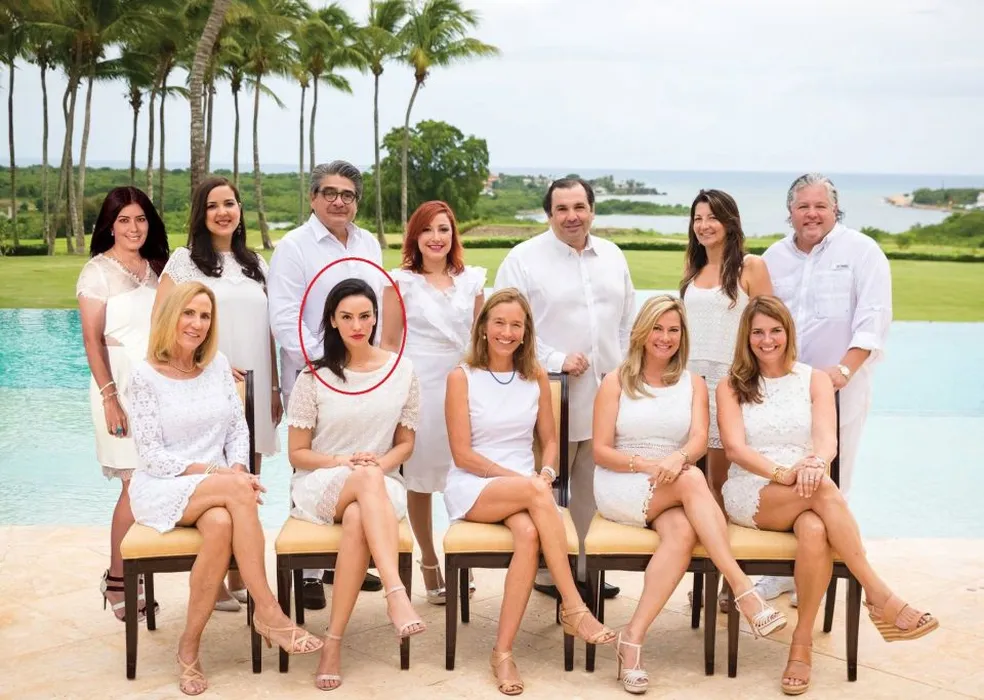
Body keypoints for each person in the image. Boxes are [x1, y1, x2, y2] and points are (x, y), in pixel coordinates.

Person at [717, 295, 936, 696]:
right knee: (822, 490)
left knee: (816, 530)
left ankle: (801, 645)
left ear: (789, 333)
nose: (767, 340)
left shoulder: (814, 378)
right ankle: (878, 594)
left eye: (776, 331)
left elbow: (826, 440)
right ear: (746, 338)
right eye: (758, 333)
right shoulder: (731, 385)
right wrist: (786, 472)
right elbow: (735, 450)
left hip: (807, 486)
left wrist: (815, 463)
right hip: (755, 489)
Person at [126, 281, 322, 696]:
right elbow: (152, 456)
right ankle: (269, 611)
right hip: (164, 486)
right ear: (170, 316)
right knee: (239, 493)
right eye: (189, 313)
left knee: (220, 525)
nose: (197, 324)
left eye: (205, 315)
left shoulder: (217, 366)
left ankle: (188, 649)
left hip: (218, 487)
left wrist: (236, 467)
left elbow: (237, 428)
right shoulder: (144, 375)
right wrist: (223, 474)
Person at [593, 295, 786, 694]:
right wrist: (650, 465)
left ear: (683, 336)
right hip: (623, 478)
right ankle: (743, 589)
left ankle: (632, 638)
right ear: (642, 332)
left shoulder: (694, 383)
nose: (665, 337)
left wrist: (676, 459)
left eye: (674, 330)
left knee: (682, 531)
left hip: (672, 479)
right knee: (693, 479)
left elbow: (698, 439)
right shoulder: (615, 381)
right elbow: (600, 451)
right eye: (658, 328)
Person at [444, 288, 617, 696]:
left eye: (516, 325)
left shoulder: (535, 375)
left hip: (524, 488)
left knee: (527, 534)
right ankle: (574, 606)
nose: (507, 332)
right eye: (499, 323)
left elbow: (550, 440)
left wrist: (546, 472)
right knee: (538, 496)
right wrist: (525, 482)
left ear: (526, 332)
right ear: (483, 328)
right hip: (474, 484)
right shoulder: (461, 377)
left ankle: (502, 653)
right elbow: (462, 454)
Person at [494, 177, 635, 601]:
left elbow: (627, 320)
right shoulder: (523, 259)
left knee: (592, 486)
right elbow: (504, 324)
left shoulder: (612, 255)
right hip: (550, 393)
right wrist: (555, 359)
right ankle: (549, 570)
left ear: (592, 210)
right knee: (550, 484)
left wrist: (624, 367)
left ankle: (586, 566)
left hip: (607, 394)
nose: (572, 216)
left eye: (579, 207)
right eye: (562, 209)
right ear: (549, 214)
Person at [755, 173, 892, 605]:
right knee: (785, 479)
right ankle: (781, 573)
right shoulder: (774, 257)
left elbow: (873, 320)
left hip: (840, 387)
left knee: (833, 479)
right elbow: (761, 319)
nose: (811, 214)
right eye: (803, 206)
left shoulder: (862, 251)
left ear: (835, 209)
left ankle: (819, 576)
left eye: (820, 206)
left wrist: (844, 371)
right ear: (790, 212)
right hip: (783, 390)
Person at [286, 278, 425, 691]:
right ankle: (395, 593)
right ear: (332, 320)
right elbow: (297, 453)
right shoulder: (313, 376)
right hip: (321, 480)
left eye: (365, 316)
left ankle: (332, 644)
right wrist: (342, 462)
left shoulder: (402, 371)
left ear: (376, 317)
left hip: (380, 483)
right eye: (346, 317)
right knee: (364, 481)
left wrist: (378, 464)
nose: (357, 325)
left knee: (357, 516)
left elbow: (406, 444)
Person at [155, 176, 282, 612]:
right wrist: (208, 363)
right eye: (212, 205)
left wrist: (273, 385)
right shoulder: (184, 262)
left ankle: (239, 572)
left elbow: (269, 330)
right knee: (216, 472)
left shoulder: (256, 264)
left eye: (230, 203)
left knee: (248, 474)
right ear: (201, 214)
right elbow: (163, 327)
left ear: (240, 209)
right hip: (209, 383)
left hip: (255, 381)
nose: (223, 212)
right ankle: (214, 579)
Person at [269, 160, 385, 607]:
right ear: (314, 197)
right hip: (313, 374)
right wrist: (327, 363)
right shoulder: (294, 247)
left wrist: (368, 361)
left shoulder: (368, 243)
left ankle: (346, 560)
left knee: (355, 460)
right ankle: (309, 572)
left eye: (348, 195)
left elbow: (374, 308)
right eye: (330, 193)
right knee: (313, 464)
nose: (339, 201)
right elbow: (285, 316)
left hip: (362, 374)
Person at [380, 200, 485, 605]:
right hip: (418, 386)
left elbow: (480, 344)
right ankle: (428, 561)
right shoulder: (399, 283)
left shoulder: (472, 281)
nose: (436, 238)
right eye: (427, 230)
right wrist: (391, 398)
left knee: (465, 475)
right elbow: (389, 344)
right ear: (415, 236)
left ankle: (463, 556)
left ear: (453, 234)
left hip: (463, 387)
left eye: (443, 229)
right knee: (420, 480)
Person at [76, 185, 169, 623]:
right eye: (124, 220)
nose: (134, 228)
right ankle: (117, 579)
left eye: (141, 219)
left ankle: (134, 572)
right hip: (116, 386)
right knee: (134, 483)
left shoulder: (158, 268)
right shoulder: (96, 272)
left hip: (156, 386)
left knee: (152, 482)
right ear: (110, 225)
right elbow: (91, 341)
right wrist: (111, 397)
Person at [680, 189, 772, 611]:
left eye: (712, 217)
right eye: (698, 218)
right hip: (692, 389)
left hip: (732, 387)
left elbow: (770, 327)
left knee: (722, 484)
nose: (704, 225)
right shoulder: (693, 270)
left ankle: (731, 582)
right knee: (698, 485)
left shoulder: (750, 267)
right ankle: (709, 572)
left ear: (730, 221)